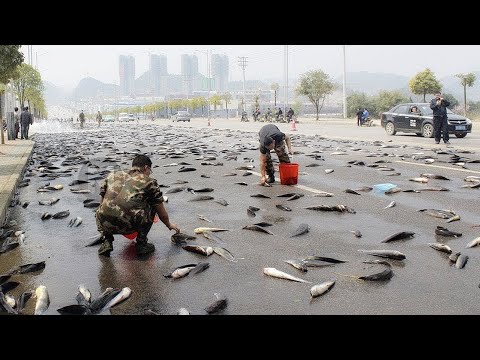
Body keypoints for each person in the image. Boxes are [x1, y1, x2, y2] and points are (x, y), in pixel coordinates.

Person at [96, 154, 180, 257]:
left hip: (104, 223)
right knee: (153, 204)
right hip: (128, 224)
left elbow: (102, 202)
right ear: (146, 168)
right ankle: (141, 243)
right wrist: (169, 225)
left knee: (105, 207)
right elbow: (161, 212)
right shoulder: (149, 181)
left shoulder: (112, 175)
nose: (149, 174)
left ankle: (107, 241)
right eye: (150, 171)